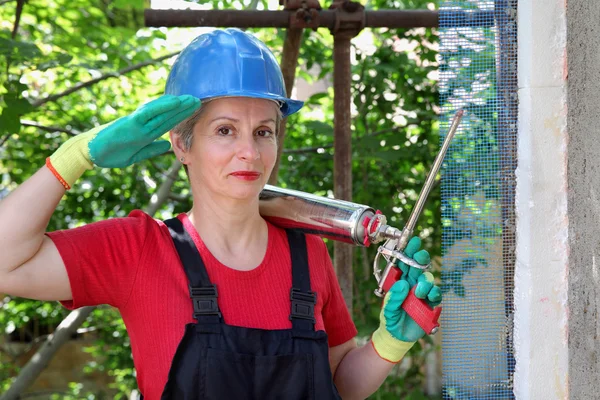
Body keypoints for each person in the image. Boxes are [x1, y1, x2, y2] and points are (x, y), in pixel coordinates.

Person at [0, 28, 442, 399]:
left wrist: (389, 343)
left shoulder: (309, 256)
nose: (248, 152)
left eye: (263, 131)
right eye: (225, 130)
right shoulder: (140, 250)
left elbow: (339, 383)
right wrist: (74, 157)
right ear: (181, 143)